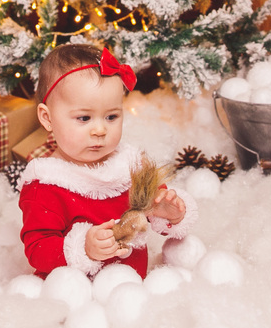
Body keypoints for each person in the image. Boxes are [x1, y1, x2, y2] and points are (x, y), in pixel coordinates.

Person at [18, 43, 196, 278]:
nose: (100, 130)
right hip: (76, 293)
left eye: (111, 116)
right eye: (84, 118)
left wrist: (169, 212)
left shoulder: (131, 165)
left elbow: (152, 202)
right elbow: (37, 251)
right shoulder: (45, 185)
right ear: (47, 118)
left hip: (130, 289)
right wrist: (84, 249)